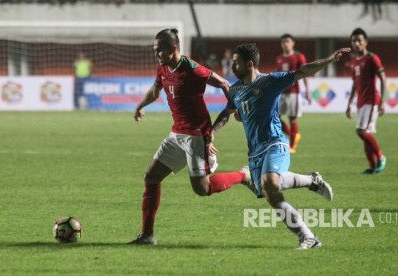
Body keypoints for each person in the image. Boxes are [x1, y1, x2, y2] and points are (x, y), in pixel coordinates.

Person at [211, 44, 350, 249]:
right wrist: (212, 131)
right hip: (255, 151)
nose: (232, 65)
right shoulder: (235, 90)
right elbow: (229, 112)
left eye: (236, 61)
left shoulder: (270, 81)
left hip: (275, 142)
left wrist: (329, 60)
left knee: (270, 183)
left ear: (249, 63)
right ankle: (309, 231)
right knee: (272, 196)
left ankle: (308, 235)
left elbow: (302, 71)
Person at [129, 28, 251, 245]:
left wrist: (236, 109)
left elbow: (224, 83)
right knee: (151, 178)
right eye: (155, 51)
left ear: (173, 49)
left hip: (196, 135)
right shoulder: (163, 68)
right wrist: (141, 105)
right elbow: (156, 91)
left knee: (202, 189)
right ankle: (147, 235)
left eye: (159, 51)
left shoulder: (193, 70)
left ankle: (243, 175)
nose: (156, 55)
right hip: (176, 134)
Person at [346, 28, 387, 174]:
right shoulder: (354, 61)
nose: (356, 43)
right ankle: (373, 166)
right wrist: (349, 104)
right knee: (365, 133)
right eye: (354, 41)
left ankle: (381, 157)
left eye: (359, 41)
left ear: (365, 42)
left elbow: (383, 78)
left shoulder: (372, 58)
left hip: (371, 100)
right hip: (361, 102)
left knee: (362, 131)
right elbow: (354, 84)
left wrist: (382, 101)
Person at [275, 34, 311, 153]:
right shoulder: (279, 58)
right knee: (276, 117)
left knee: (292, 118)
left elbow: (305, 73)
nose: (285, 44)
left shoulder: (298, 57)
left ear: (293, 43)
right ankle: (293, 134)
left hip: (293, 92)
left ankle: (292, 145)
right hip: (281, 92)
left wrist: (307, 91)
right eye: (283, 42)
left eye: (287, 41)